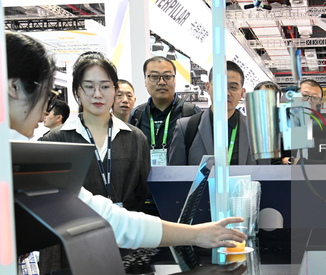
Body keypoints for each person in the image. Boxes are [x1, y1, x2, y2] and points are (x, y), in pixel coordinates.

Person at [6, 31, 245, 253]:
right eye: (47, 95)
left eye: (105, 87)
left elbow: (107, 215)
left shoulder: (134, 137)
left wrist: (195, 234)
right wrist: (194, 235)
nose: (46, 110)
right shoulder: (32, 152)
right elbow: (103, 216)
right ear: (14, 88)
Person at [40, 52, 150, 211]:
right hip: (76, 230)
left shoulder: (135, 138)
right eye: (89, 87)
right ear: (77, 90)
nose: (97, 94)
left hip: (127, 231)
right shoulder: (55, 140)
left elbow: (142, 192)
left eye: (105, 87)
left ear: (114, 90)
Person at [168, 61, 257, 166]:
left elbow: (265, 175)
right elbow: (177, 177)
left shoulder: (255, 130)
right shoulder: (186, 128)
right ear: (208, 87)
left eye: (233, 87)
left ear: (242, 93)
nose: (226, 93)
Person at [129, 56, 200, 166]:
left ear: (174, 79)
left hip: (180, 180)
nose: (161, 82)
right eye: (154, 76)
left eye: (167, 76)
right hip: (145, 182)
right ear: (145, 80)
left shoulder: (191, 113)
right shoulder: (137, 115)